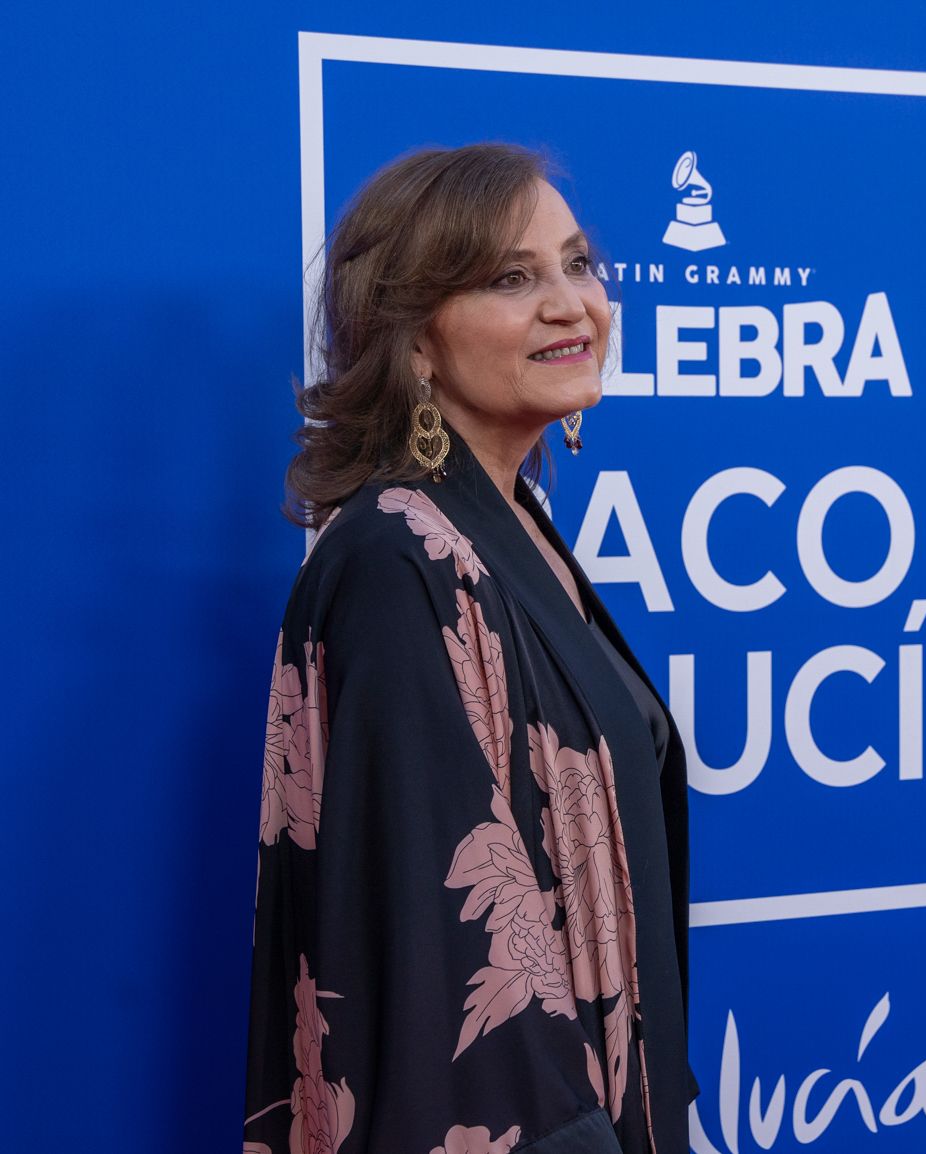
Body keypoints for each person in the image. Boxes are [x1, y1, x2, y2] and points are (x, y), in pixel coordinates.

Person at [244, 143, 694, 1154]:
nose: (572, 305)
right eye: (510, 278)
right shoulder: (396, 560)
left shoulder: (512, 524)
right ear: (414, 343)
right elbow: (435, 954)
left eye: (577, 264)